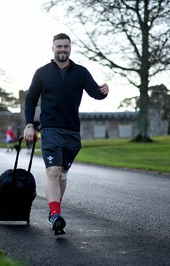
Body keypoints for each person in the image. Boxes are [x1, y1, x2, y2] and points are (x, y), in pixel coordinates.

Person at [23, 33, 109, 235]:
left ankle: (55, 212)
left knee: (62, 172)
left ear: (70, 48)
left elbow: (95, 93)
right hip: (50, 130)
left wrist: (104, 92)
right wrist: (29, 124)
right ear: (52, 48)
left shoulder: (80, 72)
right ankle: (55, 214)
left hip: (72, 132)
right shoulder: (42, 73)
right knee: (52, 171)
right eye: (59, 46)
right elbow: (30, 99)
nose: (62, 49)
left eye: (66, 46)